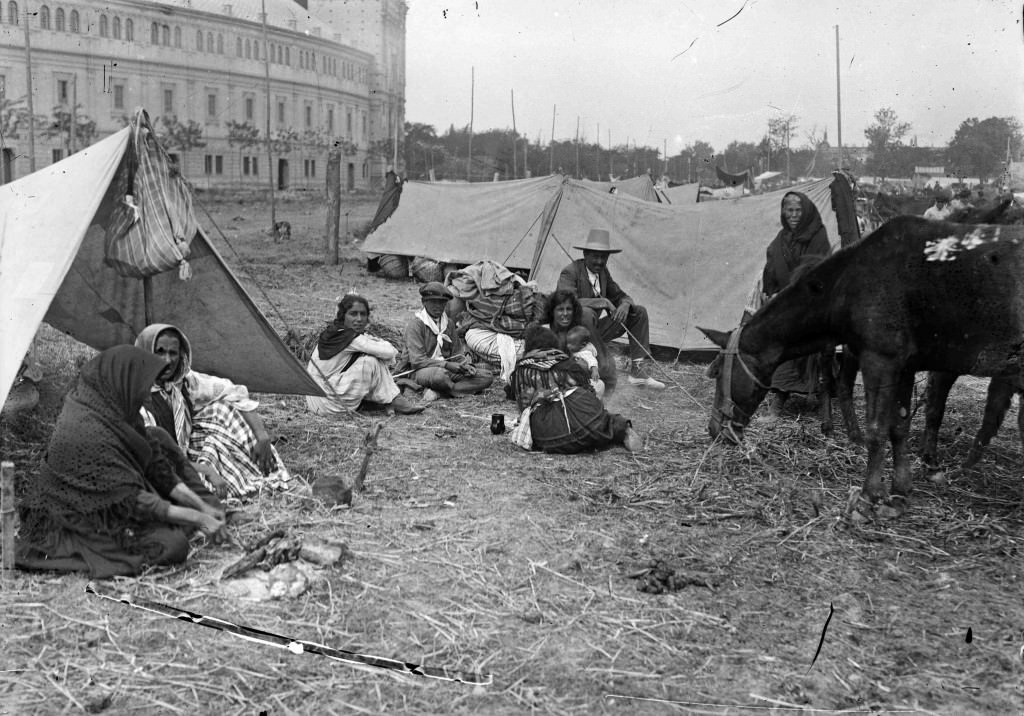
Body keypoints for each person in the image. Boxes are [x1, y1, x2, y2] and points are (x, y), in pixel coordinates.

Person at [16, 346, 225, 579]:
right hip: (78, 514)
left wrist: (202, 507)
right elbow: (136, 502)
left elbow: (158, 469)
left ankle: (206, 510)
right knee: (173, 545)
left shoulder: (113, 407)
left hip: (117, 496)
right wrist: (198, 517)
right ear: (121, 380)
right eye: (144, 386)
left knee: (156, 436)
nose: (147, 394)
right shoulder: (87, 431)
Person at [136, 323, 289, 500]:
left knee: (221, 409)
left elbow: (233, 392)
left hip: (185, 454)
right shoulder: (137, 396)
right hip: (159, 467)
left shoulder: (183, 383)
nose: (167, 360)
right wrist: (206, 470)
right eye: (160, 352)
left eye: (173, 353)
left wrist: (261, 436)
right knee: (191, 490)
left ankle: (271, 478)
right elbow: (153, 456)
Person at [556, 228, 665, 389]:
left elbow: (621, 295)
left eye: (603, 257)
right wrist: (603, 302)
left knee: (638, 312)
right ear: (585, 254)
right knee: (586, 313)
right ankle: (604, 365)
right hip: (570, 337)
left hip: (592, 332)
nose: (599, 262)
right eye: (595, 256)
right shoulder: (570, 272)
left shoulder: (602, 273)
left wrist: (625, 304)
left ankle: (637, 372)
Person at [508, 327, 641, 454]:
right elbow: (589, 392)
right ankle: (622, 429)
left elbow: (523, 407)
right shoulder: (566, 362)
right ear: (553, 344)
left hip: (549, 438)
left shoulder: (520, 370)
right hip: (587, 424)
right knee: (600, 404)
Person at [761, 191, 832, 416]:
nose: (793, 215)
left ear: (807, 211)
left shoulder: (818, 236)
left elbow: (817, 276)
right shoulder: (780, 241)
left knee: (795, 334)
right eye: (789, 210)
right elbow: (770, 275)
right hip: (786, 306)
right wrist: (769, 294)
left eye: (798, 211)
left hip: (814, 305)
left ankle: (780, 399)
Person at [306, 293, 425, 416]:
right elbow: (389, 352)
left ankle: (389, 399)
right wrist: (377, 341)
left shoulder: (335, 332)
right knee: (371, 361)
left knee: (369, 356)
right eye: (353, 314)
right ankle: (394, 400)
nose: (359, 319)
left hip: (315, 400)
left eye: (363, 314)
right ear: (343, 316)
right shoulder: (350, 338)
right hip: (327, 402)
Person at [399, 281, 493, 401]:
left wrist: (465, 366)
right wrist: (446, 365)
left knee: (486, 376)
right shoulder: (416, 325)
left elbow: (457, 354)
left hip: (447, 370)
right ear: (424, 302)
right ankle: (456, 389)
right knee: (439, 376)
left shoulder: (448, 324)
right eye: (433, 302)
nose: (438, 306)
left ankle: (441, 392)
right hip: (421, 371)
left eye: (442, 303)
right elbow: (417, 361)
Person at [544, 288, 618, 396]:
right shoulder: (545, 331)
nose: (565, 314)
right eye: (560, 309)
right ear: (552, 311)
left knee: (598, 385)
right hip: (551, 379)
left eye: (569, 309)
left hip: (574, 379)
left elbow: (593, 360)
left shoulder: (577, 334)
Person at [565, 325, 605, 400]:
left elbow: (592, 361)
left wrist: (594, 370)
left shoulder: (585, 352)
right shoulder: (577, 348)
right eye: (568, 342)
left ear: (582, 345)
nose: (568, 346)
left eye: (571, 344)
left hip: (583, 377)